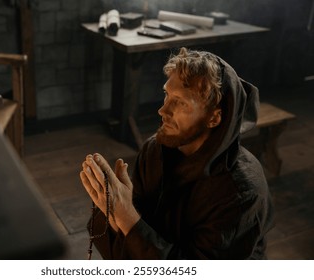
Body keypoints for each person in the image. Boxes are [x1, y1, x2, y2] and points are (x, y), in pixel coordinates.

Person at [79, 47, 274, 259]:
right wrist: (114, 214)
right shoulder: (155, 150)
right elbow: (140, 225)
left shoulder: (242, 192)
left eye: (180, 102)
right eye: (166, 95)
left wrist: (125, 216)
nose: (163, 110)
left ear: (214, 118)